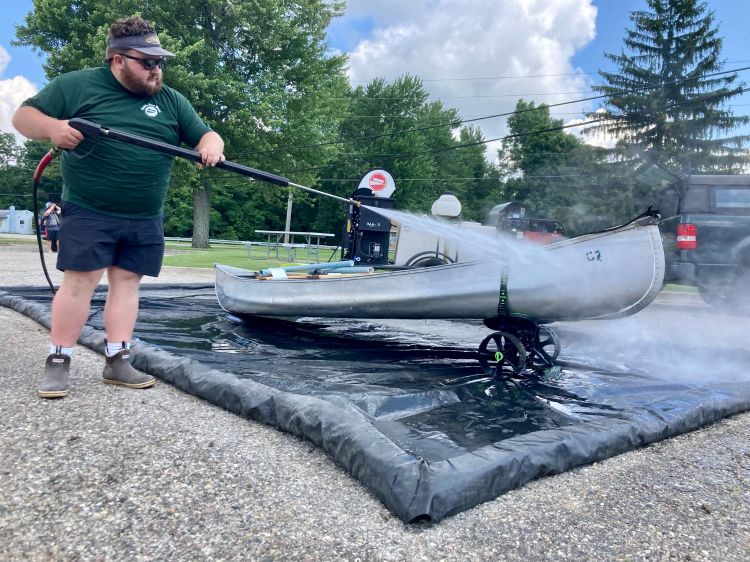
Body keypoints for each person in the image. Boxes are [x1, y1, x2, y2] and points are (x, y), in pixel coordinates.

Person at [12, 16, 225, 399]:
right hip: (90, 208)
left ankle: (117, 360)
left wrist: (211, 145)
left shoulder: (172, 101)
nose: (156, 69)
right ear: (118, 60)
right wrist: (54, 128)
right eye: (147, 62)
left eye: (160, 62)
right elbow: (23, 117)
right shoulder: (77, 85)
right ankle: (58, 361)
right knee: (80, 283)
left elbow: (205, 133)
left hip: (144, 215)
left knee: (127, 284)